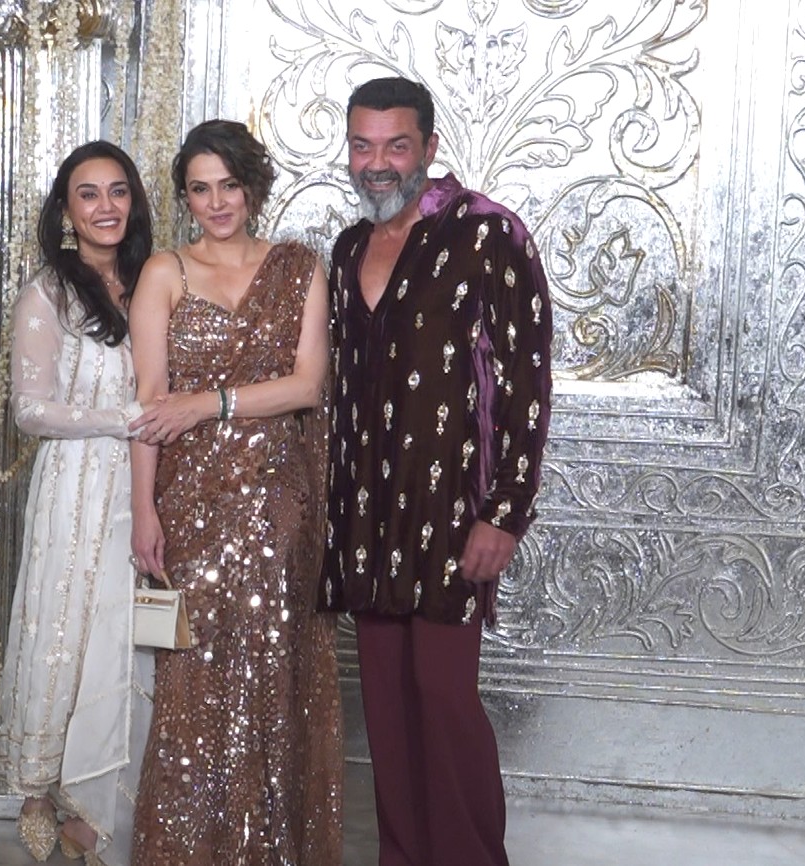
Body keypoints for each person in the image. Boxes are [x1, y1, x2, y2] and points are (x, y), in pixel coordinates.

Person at [320, 77, 553, 866]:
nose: (377, 163)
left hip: (452, 511)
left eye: (396, 145)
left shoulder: (488, 233)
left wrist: (505, 511)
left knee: (444, 701)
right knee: (386, 711)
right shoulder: (348, 248)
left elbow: (526, 382)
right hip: (365, 513)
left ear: (428, 146)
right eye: (362, 145)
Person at [125, 119, 343, 866]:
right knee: (191, 683)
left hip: (278, 503)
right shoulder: (164, 272)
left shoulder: (299, 267)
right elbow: (149, 404)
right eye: (199, 189)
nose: (216, 203)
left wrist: (207, 404)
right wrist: (143, 511)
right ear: (184, 197)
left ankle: (269, 850)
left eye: (228, 185)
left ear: (252, 186)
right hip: (189, 503)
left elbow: (307, 386)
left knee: (272, 674)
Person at [0, 140, 156, 866]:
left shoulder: (154, 280)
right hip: (76, 485)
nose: (105, 207)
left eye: (117, 191)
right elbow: (30, 410)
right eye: (87, 194)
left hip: (143, 483)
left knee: (121, 640)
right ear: (65, 209)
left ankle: (103, 796)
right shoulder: (48, 293)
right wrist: (124, 418)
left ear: (135, 201)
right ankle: (40, 791)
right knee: (66, 627)